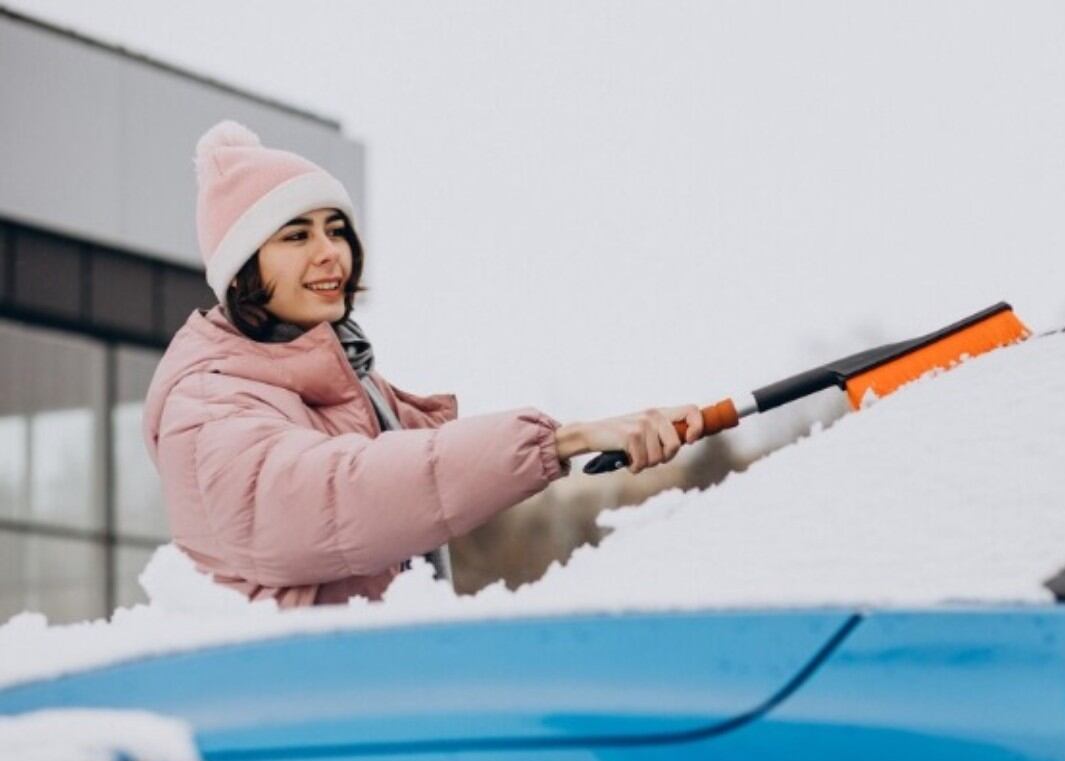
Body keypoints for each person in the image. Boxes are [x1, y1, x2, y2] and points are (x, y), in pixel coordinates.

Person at [142, 120, 704, 608]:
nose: (329, 252)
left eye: (336, 230)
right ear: (240, 271)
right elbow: (346, 491)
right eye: (295, 235)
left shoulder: (350, 384)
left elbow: (431, 481)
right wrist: (560, 440)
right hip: (296, 709)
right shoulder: (208, 399)